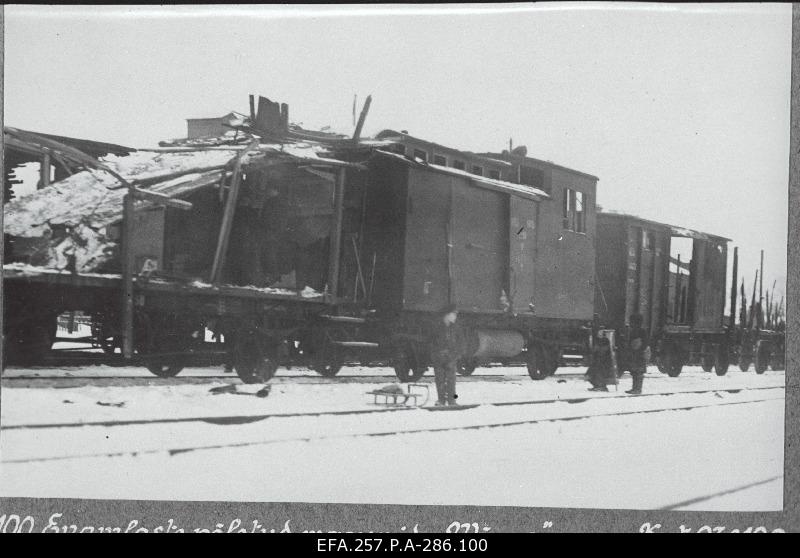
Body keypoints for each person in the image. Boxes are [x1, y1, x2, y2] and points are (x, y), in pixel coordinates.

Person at [431, 303, 466, 406]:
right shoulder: (437, 327)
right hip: (439, 357)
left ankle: (452, 400)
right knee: (439, 379)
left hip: (451, 357)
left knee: (451, 380)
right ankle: (441, 400)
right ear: (447, 314)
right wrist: (436, 355)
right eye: (454, 314)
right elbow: (431, 342)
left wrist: (455, 356)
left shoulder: (456, 328)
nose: (455, 316)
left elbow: (462, 343)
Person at [626, 313, 649, 395]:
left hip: (639, 354)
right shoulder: (638, 330)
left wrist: (639, 348)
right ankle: (635, 388)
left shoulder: (640, 331)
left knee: (638, 372)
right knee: (635, 372)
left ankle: (637, 389)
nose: (631, 323)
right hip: (636, 353)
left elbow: (645, 342)